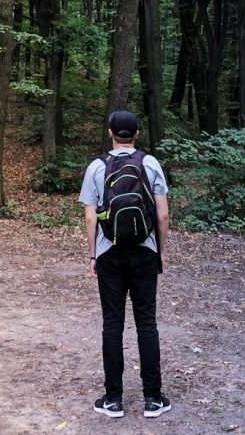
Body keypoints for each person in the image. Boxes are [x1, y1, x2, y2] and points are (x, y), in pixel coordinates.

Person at [79, 110, 171, 419]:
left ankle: (113, 400)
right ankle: (154, 399)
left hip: (110, 253)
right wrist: (160, 250)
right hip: (145, 251)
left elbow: (91, 216)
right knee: (147, 322)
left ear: (110, 133)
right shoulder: (150, 163)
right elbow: (162, 215)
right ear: (136, 133)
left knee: (112, 324)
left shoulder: (96, 167)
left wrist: (94, 255)